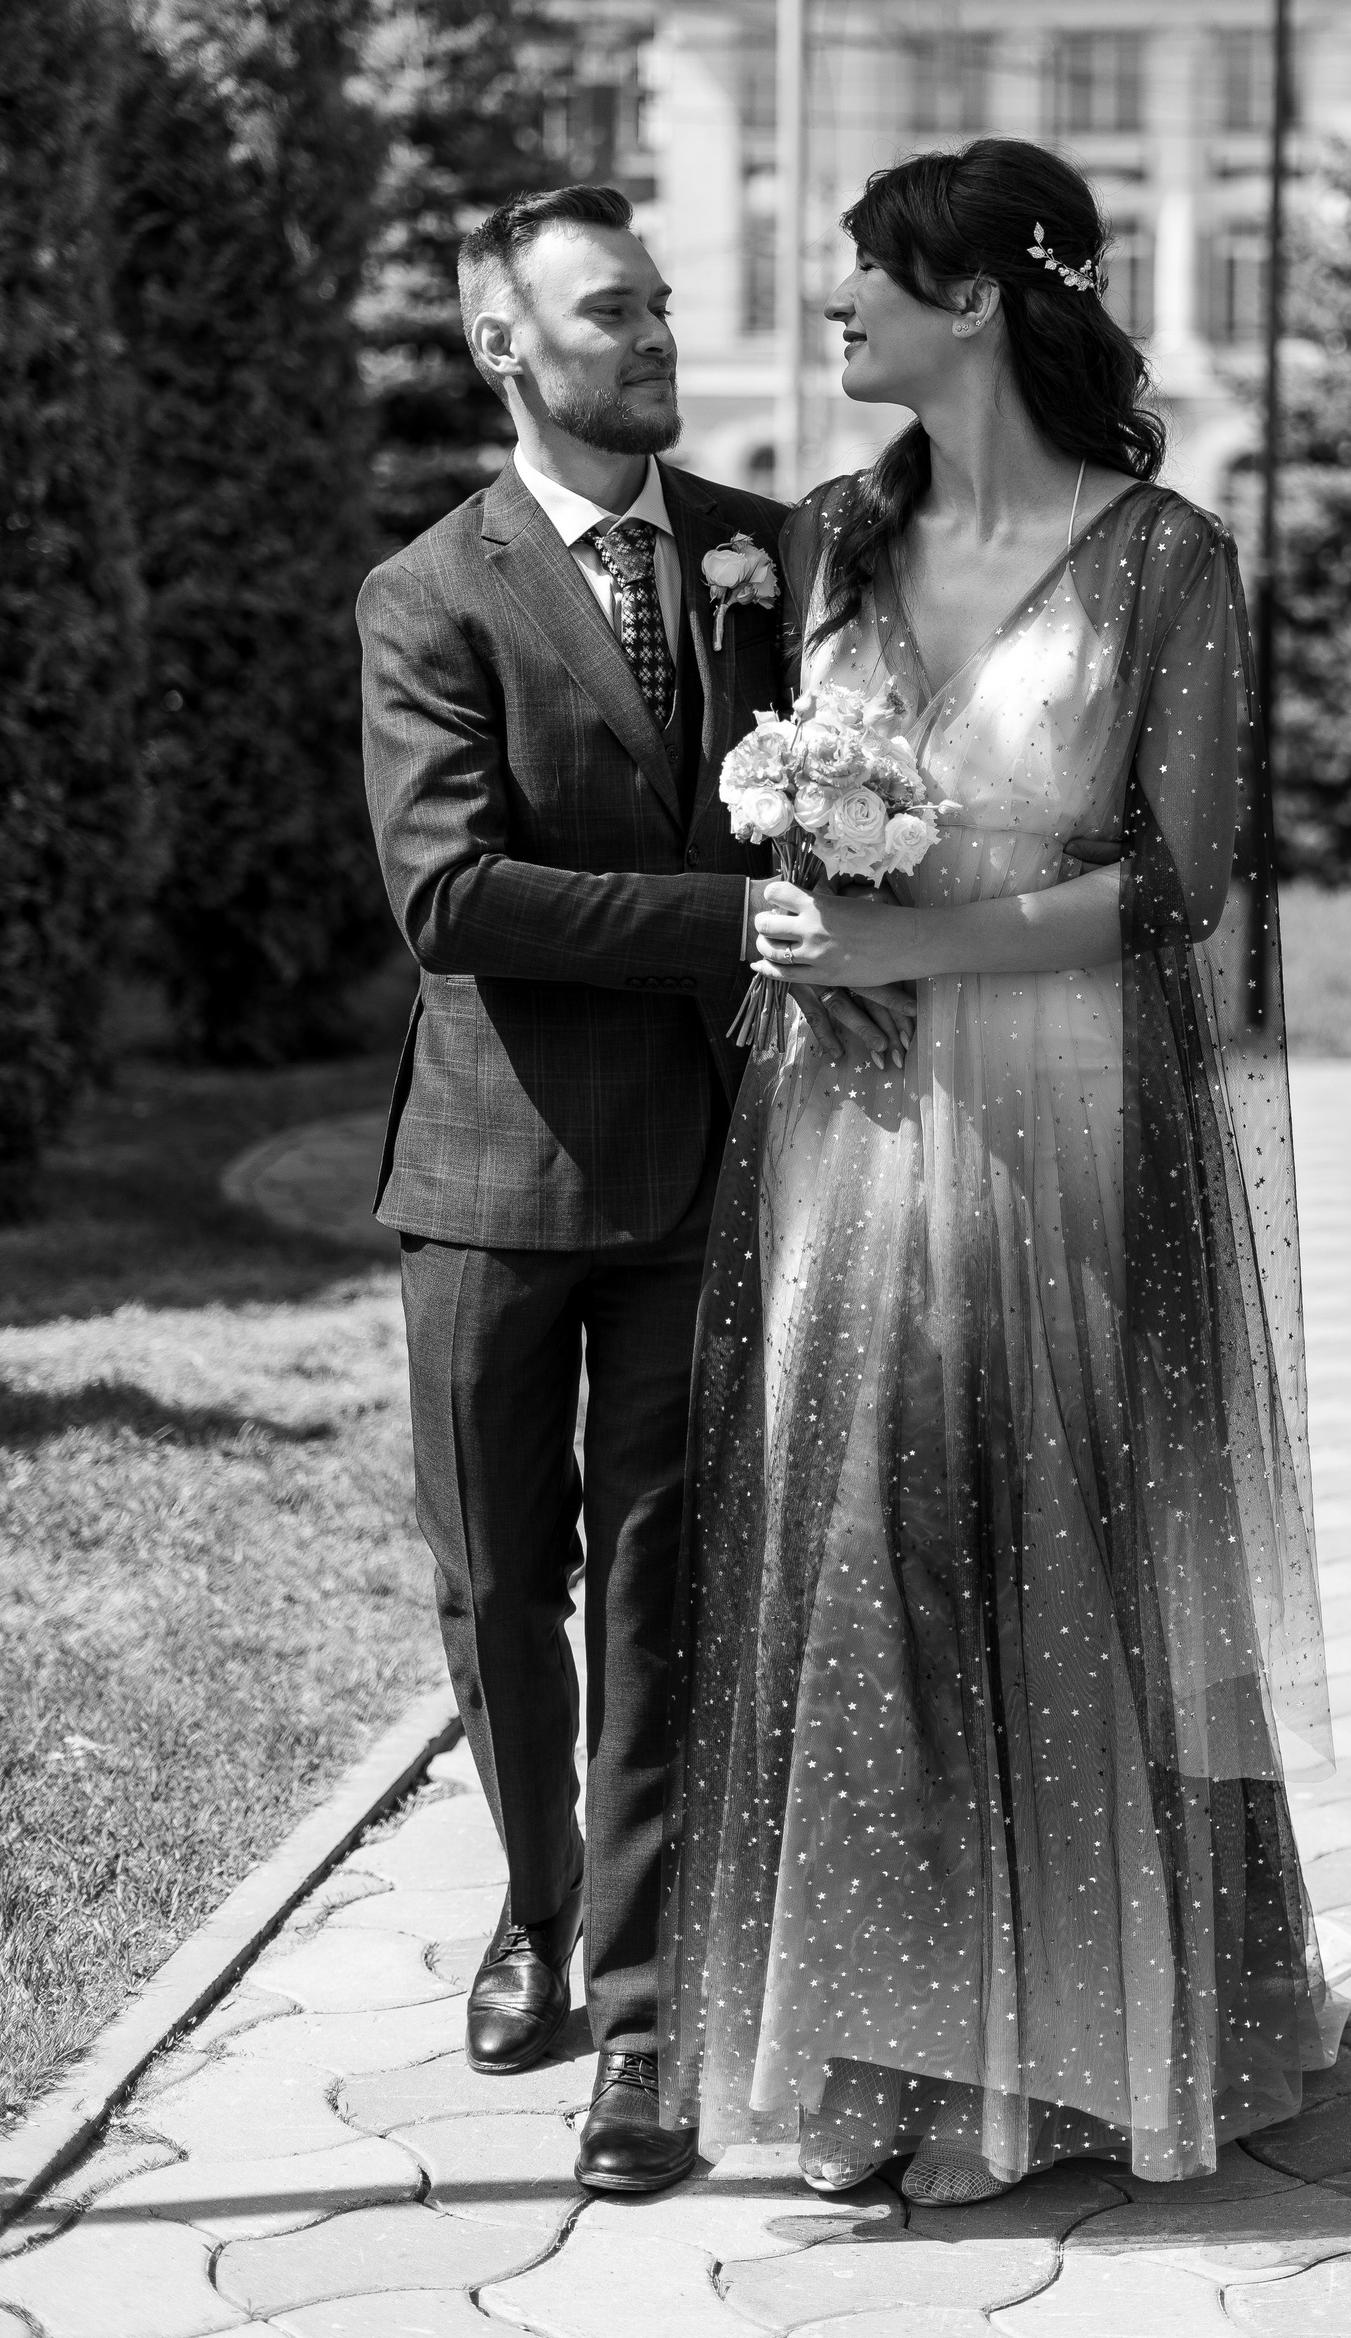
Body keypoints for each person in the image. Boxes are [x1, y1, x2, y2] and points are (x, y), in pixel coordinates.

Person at [659, 139, 1340, 2206]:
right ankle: (880, 2050)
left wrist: (918, 944)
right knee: (861, 1539)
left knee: (1050, 1536)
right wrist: (803, 921)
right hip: (848, 1121)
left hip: (1061, 1108)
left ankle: (1068, 2063)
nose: (835, 300)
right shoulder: (831, 537)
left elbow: (1183, 879)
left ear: (976, 299)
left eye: (868, 269)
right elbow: (791, 810)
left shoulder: (1168, 560)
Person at [357, 183, 904, 2199]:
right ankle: (535, 1903)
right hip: (490, 1177)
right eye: (611, 311)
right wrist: (725, 916)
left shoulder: (772, 556)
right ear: (504, 343)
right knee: (498, 1582)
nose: (656, 334)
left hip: (709, 1169)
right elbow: (450, 893)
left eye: (663, 303)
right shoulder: (431, 593)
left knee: (667, 1592)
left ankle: (653, 2023)